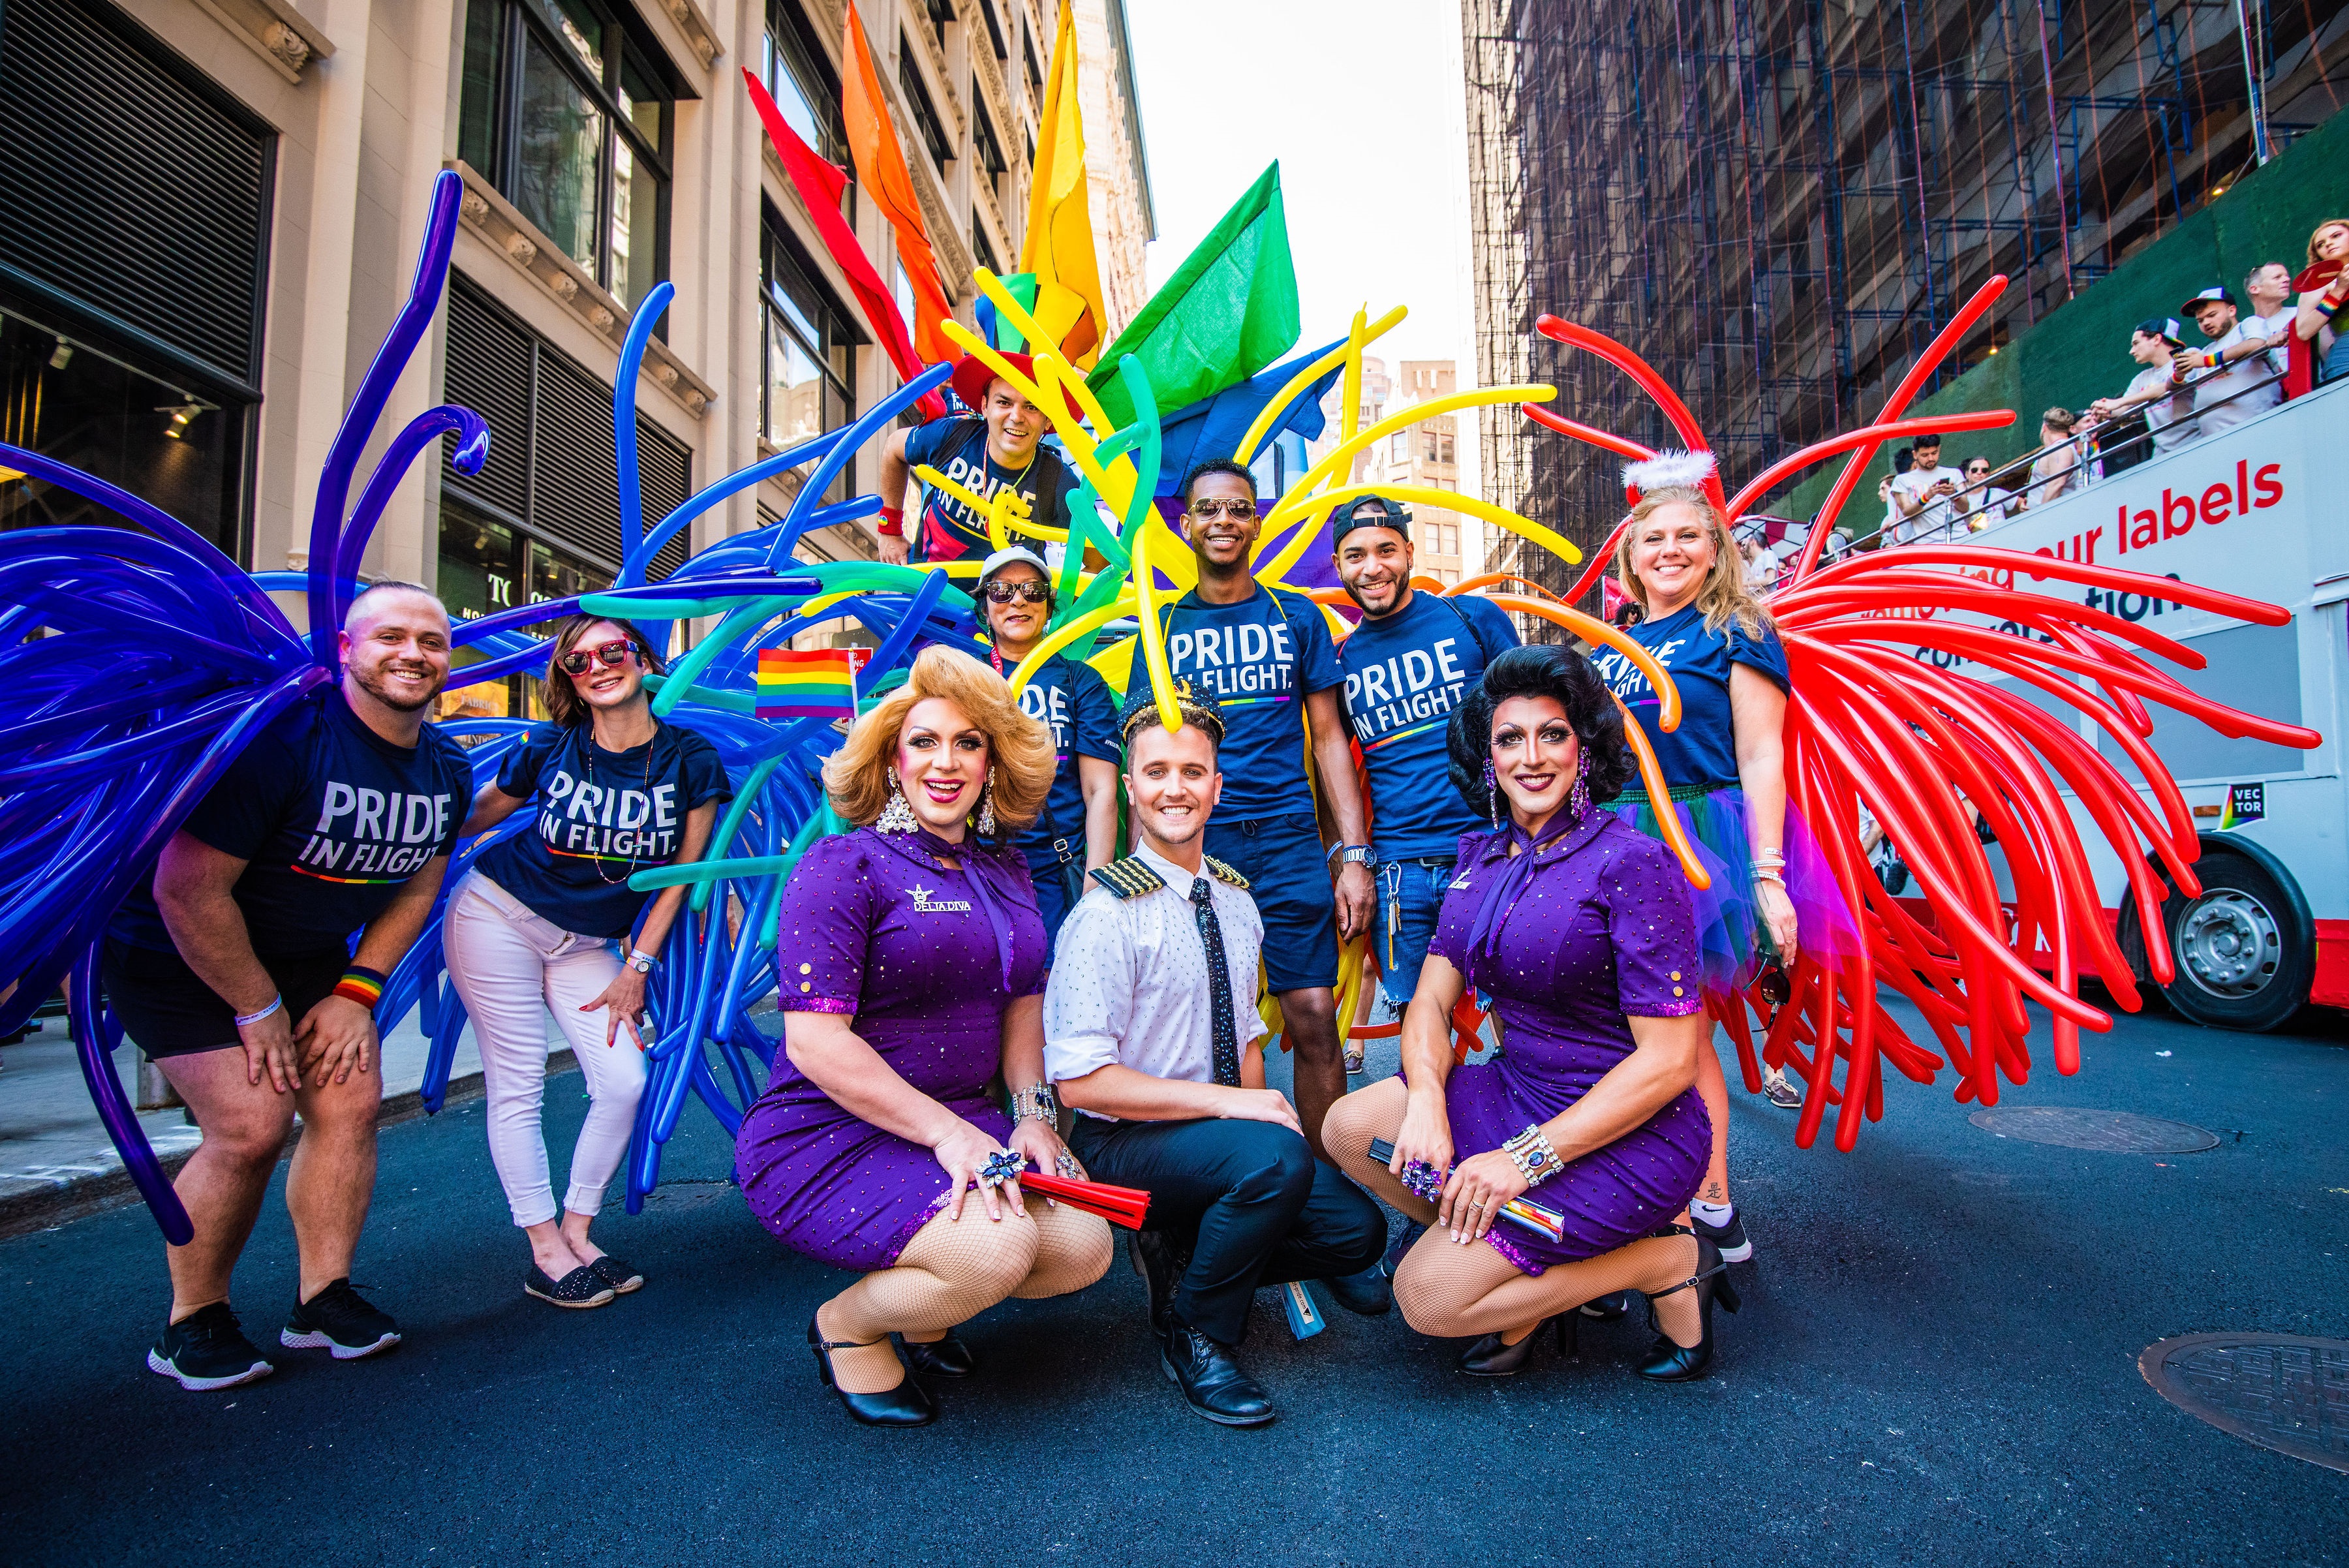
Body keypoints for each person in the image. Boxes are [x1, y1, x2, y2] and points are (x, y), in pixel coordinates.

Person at [1322, 645, 1732, 1381]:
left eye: (1553, 734)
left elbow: (1671, 1061)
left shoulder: (1632, 862)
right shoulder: (1482, 858)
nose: (1531, 757)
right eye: (1510, 738)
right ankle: (1525, 1271)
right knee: (1352, 1127)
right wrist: (1424, 1101)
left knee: (1430, 1300)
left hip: (1631, 1133)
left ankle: (1664, 1259)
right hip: (1521, 1093)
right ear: (1487, 757)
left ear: (1585, 747)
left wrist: (1522, 1161)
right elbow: (1430, 1003)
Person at [733, 645, 1111, 1427]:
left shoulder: (1007, 868)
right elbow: (814, 1043)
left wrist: (1035, 1114)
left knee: (1083, 1248)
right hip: (826, 1134)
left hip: (961, 1123)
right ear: (892, 760)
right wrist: (952, 1139)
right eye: (925, 742)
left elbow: (1021, 1003)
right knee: (996, 1250)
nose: (947, 763)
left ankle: (927, 1315)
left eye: (968, 743)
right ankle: (846, 1329)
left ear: (994, 763)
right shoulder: (843, 864)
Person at [108, 582, 470, 1390]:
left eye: (432, 642)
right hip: (179, 952)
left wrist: (358, 991)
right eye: (391, 638)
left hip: (306, 960)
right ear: (346, 650)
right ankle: (191, 1321)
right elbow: (186, 890)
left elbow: (416, 888)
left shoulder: (445, 766)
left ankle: (321, 1299)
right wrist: (257, 1008)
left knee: (348, 1104)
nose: (413, 654)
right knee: (250, 1124)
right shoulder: (284, 740)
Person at [1046, 687, 1388, 1426]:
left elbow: (1249, 1038)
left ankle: (1186, 1254)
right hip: (1125, 1143)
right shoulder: (1103, 913)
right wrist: (1247, 1119)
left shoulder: (1234, 899)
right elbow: (1078, 1083)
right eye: (1158, 771)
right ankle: (1195, 1331)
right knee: (1275, 1164)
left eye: (1194, 772)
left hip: (1218, 1140)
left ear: (1217, 787)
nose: (1177, 788)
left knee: (1357, 1234)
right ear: (1131, 787)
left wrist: (1268, 1126)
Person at [1588, 465, 1862, 1261]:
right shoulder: (1615, 643)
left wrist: (1769, 876)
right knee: (1625, 1033)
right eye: (1653, 540)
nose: (1668, 551)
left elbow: (1761, 751)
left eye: (1686, 537)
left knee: (1680, 1031)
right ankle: (1645, 1190)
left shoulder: (1738, 628)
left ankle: (1712, 1203)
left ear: (1714, 551)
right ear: (1631, 558)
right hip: (1612, 843)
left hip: (1695, 836)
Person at [445, 615, 731, 1308]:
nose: (600, 666)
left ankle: (578, 1229)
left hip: (590, 947)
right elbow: (476, 816)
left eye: (613, 651)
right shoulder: (550, 746)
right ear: (567, 678)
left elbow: (683, 875)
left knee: (625, 1080)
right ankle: (544, 1248)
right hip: (496, 916)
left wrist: (638, 967)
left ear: (641, 658)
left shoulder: (692, 759)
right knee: (517, 1084)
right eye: (580, 660)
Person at [1158, 459, 1375, 1163]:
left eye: (1239, 509)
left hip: (1286, 843)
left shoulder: (1296, 615)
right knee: (1201, 1032)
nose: (1225, 520)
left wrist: (1353, 856)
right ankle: (1233, 1184)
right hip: (1199, 846)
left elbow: (1330, 739)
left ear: (1256, 522)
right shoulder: (1160, 624)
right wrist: (1147, 870)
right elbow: (1144, 753)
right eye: (1210, 509)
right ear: (1185, 523)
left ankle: (1332, 1196)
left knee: (1315, 1017)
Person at [1328, 497, 1519, 1043]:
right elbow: (1334, 766)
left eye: (1386, 550)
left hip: (1490, 851)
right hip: (1398, 875)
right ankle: (1428, 1127)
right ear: (1339, 567)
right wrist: (1351, 861)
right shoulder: (1340, 662)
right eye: (1356, 555)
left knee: (1519, 1013)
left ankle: (1536, 1127)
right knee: (1422, 1027)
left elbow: (1537, 720)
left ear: (1409, 552)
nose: (1373, 567)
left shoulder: (1474, 619)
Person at [972, 546, 1120, 944]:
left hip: (1058, 875)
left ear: (1049, 607)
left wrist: (1095, 893)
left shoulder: (1079, 681)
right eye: (1002, 591)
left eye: (1033, 591)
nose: (1018, 600)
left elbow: (1101, 790)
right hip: (977, 872)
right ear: (985, 608)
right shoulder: (964, 680)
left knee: (1058, 999)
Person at [875, 353, 1084, 568]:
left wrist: (1064, 599)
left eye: (1031, 407)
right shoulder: (953, 436)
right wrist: (889, 530)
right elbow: (893, 448)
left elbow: (1099, 557)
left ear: (1048, 419)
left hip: (1007, 600)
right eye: (1004, 402)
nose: (1016, 417)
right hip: (926, 590)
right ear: (985, 406)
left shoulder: (1059, 482)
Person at [2173, 283, 2285, 437]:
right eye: (2200, 320)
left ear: (2232, 310)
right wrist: (2178, 374)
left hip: (2260, 427)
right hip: (2216, 441)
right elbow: (2175, 390)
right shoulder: (2205, 352)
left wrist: (2207, 361)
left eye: (2212, 315)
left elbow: (2256, 344)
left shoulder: (2247, 325)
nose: (2205, 323)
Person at [2083, 320, 2200, 458]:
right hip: (2161, 454)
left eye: (2136, 343)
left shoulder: (2189, 355)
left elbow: (2170, 385)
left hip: (2195, 443)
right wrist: (2105, 409)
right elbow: (2122, 409)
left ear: (2157, 339)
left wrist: (2119, 402)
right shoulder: (2141, 378)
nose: (2132, 351)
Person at [2291, 220, 2349, 393]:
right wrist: (2339, 291)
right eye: (2321, 245)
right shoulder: (2318, 284)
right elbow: (2303, 331)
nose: (2329, 244)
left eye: (2336, 236)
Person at [1888, 433, 1964, 545]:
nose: (1931, 458)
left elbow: (1965, 508)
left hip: (1960, 536)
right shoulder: (1902, 480)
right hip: (1927, 543)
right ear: (1915, 454)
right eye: (1925, 455)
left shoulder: (1954, 473)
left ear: (1939, 449)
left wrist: (1954, 494)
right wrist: (1926, 497)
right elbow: (1907, 511)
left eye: (1934, 453)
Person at [2025, 408, 2085, 508]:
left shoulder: (2060, 449)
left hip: (2053, 515)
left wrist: (2040, 514)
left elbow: (2057, 483)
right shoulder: (2059, 448)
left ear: (2044, 427)